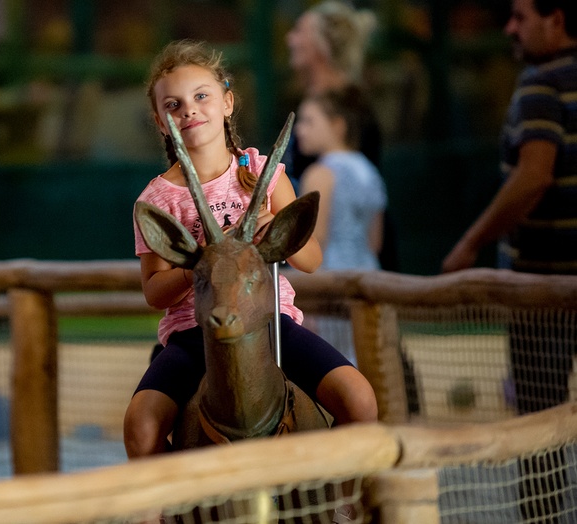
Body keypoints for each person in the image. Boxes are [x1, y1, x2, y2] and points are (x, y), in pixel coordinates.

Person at [124, 40, 377, 462]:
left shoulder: (263, 174)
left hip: (269, 324)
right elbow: (154, 293)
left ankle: (343, 504)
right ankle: (164, 509)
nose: (189, 110)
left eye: (201, 96)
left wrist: (275, 231)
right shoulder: (157, 199)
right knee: (140, 425)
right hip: (195, 333)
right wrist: (202, 264)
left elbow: (311, 260)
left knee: (360, 400)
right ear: (161, 122)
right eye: (174, 104)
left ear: (227, 101)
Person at [443, 2, 576, 520]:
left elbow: (534, 175)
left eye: (521, 17)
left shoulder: (541, 84)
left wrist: (470, 244)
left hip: (543, 284)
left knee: (537, 427)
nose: (509, 29)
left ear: (557, 19)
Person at [284, 1, 397, 272]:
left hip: (331, 269)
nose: (290, 38)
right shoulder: (312, 104)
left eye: (300, 30)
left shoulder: (354, 112)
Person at [295, 86, 387, 271]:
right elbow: (375, 243)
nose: (299, 130)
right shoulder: (370, 171)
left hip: (329, 285)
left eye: (308, 122)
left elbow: (312, 242)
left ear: (338, 125)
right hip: (370, 280)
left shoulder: (318, 175)